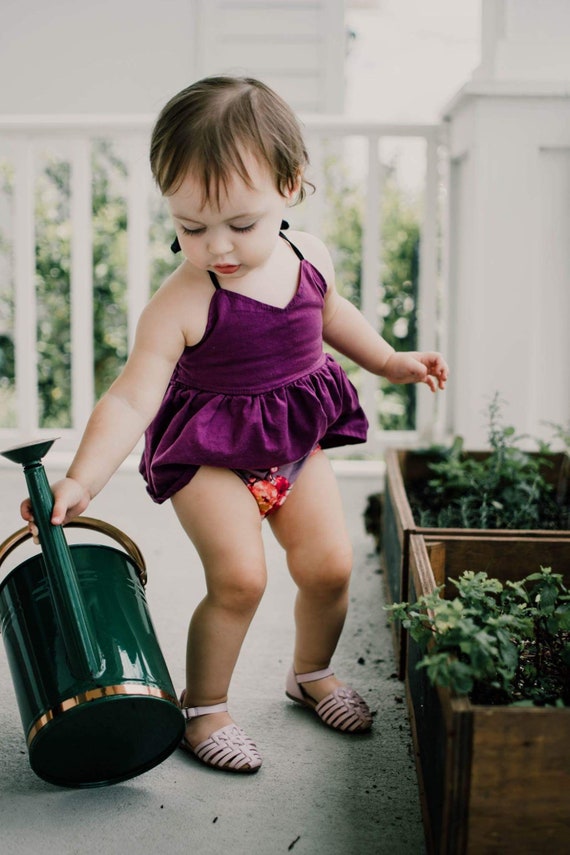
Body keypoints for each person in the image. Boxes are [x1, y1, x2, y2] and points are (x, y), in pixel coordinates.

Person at [22, 76, 448, 774]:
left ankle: (310, 673)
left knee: (330, 567)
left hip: (293, 446)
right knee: (240, 579)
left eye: (239, 225)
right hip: (210, 454)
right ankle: (204, 707)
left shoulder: (310, 255)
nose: (216, 245)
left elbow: (334, 317)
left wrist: (393, 361)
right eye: (191, 227)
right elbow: (132, 397)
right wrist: (81, 477)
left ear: (291, 185)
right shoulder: (183, 299)